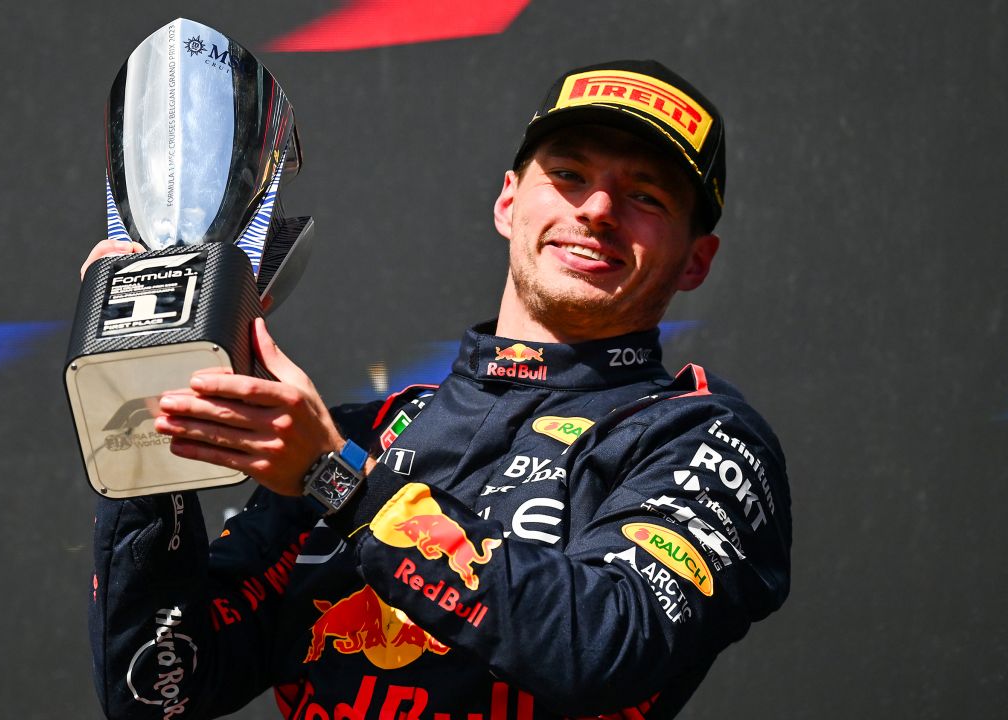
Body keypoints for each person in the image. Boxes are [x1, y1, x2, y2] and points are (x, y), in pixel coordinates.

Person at [88, 59, 791, 720]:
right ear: (508, 202)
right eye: (570, 174)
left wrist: (337, 482)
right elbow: (159, 693)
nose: (599, 208)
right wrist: (149, 444)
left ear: (696, 259)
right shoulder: (362, 435)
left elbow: (600, 645)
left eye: (645, 195)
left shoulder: (700, 438)